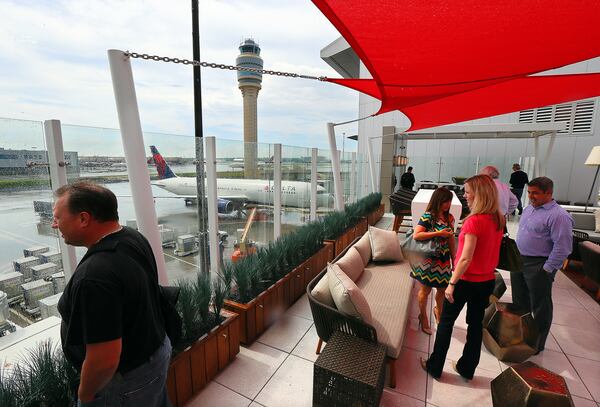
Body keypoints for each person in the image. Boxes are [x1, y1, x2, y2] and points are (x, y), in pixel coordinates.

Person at [54, 182, 171, 406]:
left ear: (83, 219)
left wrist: (85, 395)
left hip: (126, 380)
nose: (54, 224)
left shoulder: (95, 276)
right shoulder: (133, 237)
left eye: (58, 217)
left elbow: (105, 360)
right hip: (156, 352)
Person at [421, 175, 504, 380]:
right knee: (475, 326)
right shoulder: (499, 218)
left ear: (480, 194)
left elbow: (465, 258)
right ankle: (467, 369)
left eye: (467, 192)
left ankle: (435, 366)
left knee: (446, 323)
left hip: (465, 281)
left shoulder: (473, 222)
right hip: (486, 282)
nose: (464, 196)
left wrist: (451, 283)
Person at [511, 177, 573, 354]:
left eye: (535, 193)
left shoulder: (559, 216)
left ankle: (536, 344)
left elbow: (563, 248)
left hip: (539, 264)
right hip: (520, 260)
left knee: (540, 306)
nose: (531, 196)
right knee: (520, 302)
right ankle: (520, 337)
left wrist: (546, 269)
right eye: (529, 192)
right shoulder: (530, 209)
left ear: (549, 193)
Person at [410, 187, 456, 335]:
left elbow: (451, 240)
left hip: (443, 261)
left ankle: (438, 312)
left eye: (449, 201)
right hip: (428, 259)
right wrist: (438, 232)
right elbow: (417, 235)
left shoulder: (450, 218)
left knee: (442, 290)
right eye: (445, 201)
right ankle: (423, 316)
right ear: (438, 201)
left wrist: (454, 258)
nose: (448, 204)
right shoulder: (428, 216)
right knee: (425, 290)